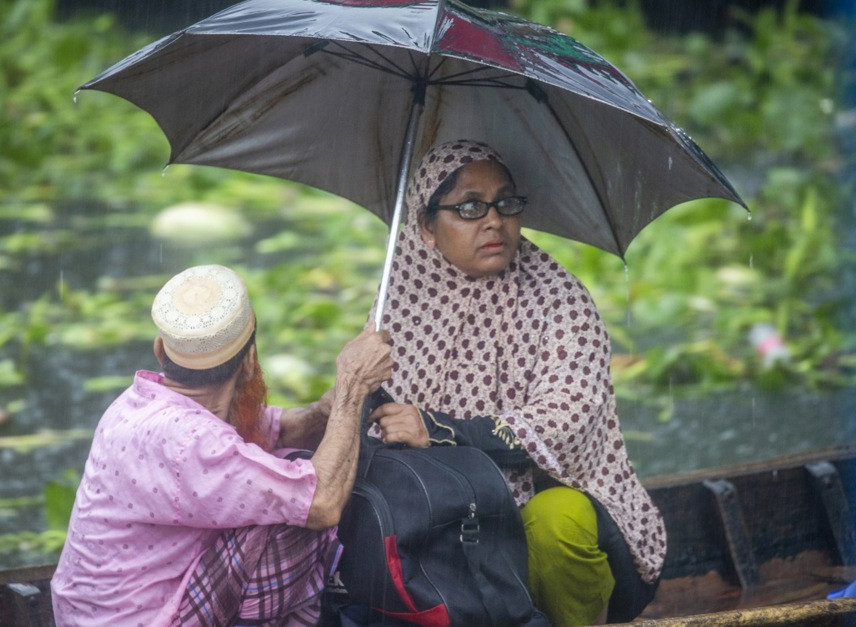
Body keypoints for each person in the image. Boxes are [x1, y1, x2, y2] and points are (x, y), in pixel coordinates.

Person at [368, 140, 666, 626]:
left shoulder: (559, 300)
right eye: (470, 207)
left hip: (549, 540)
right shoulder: (397, 297)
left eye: (506, 203)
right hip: (450, 526)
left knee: (558, 520)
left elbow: (563, 422)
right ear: (425, 227)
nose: (494, 221)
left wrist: (442, 430)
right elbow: (376, 424)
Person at [51, 264, 392, 626]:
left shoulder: (138, 404)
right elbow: (321, 503)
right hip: (145, 620)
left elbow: (266, 431)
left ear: (159, 352)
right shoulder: (190, 441)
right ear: (249, 362)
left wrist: (327, 409)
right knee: (295, 520)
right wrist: (353, 388)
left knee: (284, 467)